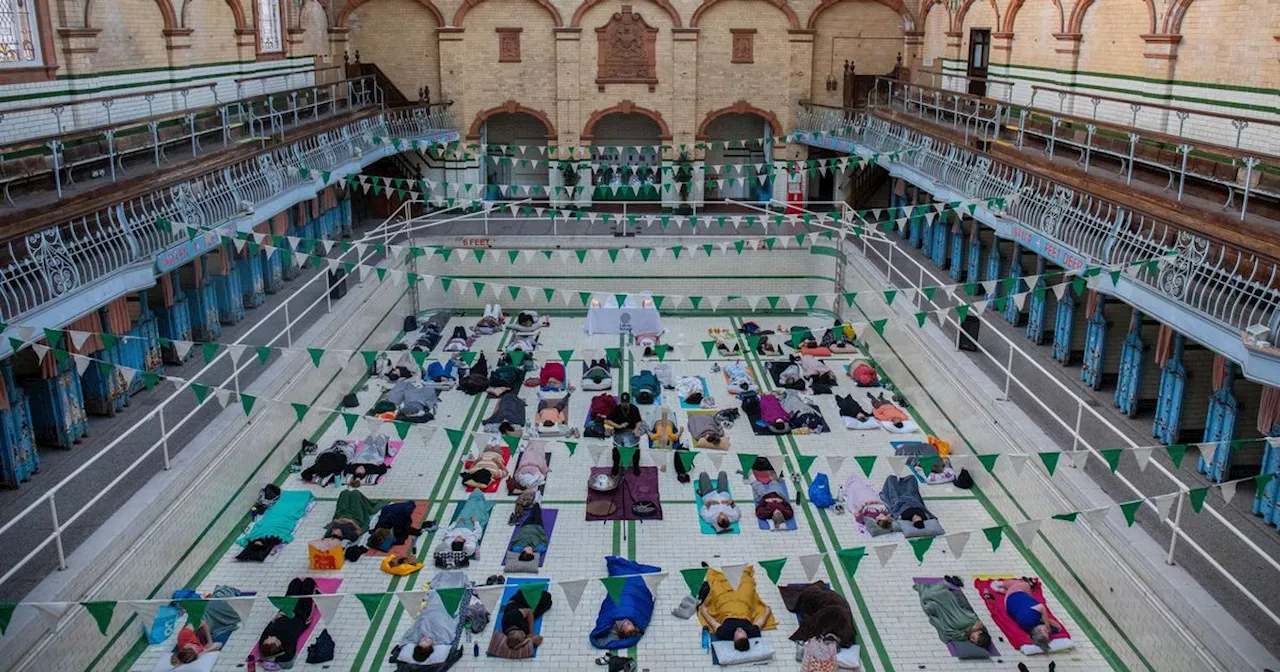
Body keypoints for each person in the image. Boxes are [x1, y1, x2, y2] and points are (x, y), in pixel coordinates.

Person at [988, 578, 1064, 651]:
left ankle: (1000, 584)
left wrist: (1047, 625)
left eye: (1045, 631)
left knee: (1025, 585)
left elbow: (1042, 607)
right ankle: (1003, 590)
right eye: (1048, 632)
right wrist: (1050, 625)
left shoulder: (1031, 618)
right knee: (1025, 591)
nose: (1048, 630)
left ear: (1038, 630)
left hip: (1013, 596)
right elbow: (1058, 627)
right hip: (1012, 603)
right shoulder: (1032, 626)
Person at [257, 577, 319, 667]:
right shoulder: (288, 641)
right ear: (278, 644)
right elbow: (289, 656)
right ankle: (315, 594)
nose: (269, 636)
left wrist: (274, 619)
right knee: (308, 583)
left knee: (295, 582)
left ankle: (299, 586)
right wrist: (273, 659)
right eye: (271, 639)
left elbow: (264, 651)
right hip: (302, 613)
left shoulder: (264, 643)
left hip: (286, 609)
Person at [913, 580, 991, 649]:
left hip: (942, 613)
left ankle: (944, 584)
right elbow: (966, 614)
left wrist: (970, 630)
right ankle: (944, 585)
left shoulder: (963, 636)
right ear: (980, 632)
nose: (970, 639)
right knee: (937, 595)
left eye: (972, 641)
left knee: (928, 603)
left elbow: (949, 632)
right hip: (952, 607)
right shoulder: (977, 623)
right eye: (973, 638)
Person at [495, 587, 553, 658]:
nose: (524, 635)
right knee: (548, 604)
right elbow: (539, 639)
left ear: (513, 632)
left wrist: (531, 632)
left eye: (522, 634)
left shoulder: (512, 616)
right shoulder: (516, 637)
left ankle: (526, 589)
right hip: (523, 616)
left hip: (519, 601)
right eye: (523, 637)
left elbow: (528, 612)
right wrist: (530, 640)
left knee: (547, 597)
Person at [606, 393, 643, 474]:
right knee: (616, 450)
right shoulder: (616, 409)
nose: (625, 404)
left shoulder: (634, 409)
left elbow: (639, 421)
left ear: (629, 401)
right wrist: (618, 426)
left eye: (626, 402)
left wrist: (636, 429)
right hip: (619, 433)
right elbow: (607, 420)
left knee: (636, 450)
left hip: (631, 433)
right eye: (623, 402)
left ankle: (636, 466)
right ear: (621, 402)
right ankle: (615, 466)